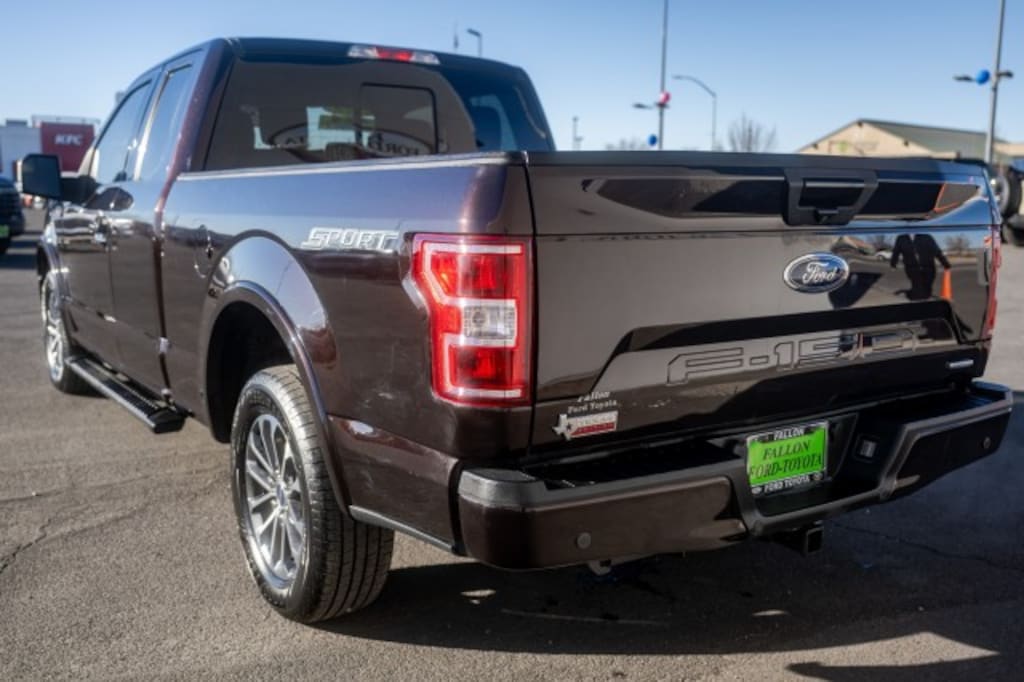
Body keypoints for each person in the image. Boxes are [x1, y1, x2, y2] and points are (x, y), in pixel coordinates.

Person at [890, 233, 951, 300]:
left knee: (927, 288)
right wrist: (893, 264)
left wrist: (945, 264)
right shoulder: (901, 238)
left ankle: (924, 299)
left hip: (929, 267)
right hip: (912, 268)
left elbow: (936, 251)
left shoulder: (927, 237)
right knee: (918, 289)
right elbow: (896, 251)